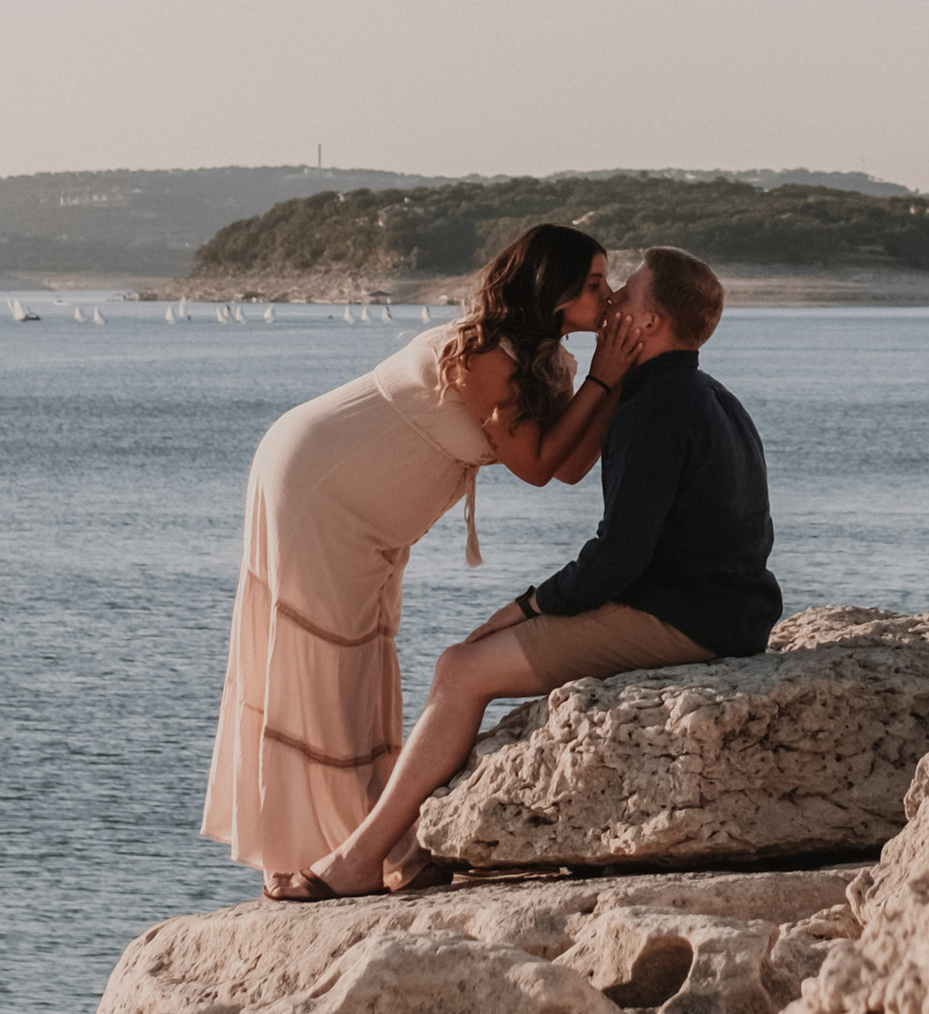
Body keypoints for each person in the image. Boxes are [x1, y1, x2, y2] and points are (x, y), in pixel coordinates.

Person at [286, 244, 778, 901]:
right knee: (467, 663)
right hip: (722, 612)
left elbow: (616, 557)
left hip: (683, 620)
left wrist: (527, 606)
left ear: (650, 324)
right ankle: (405, 854)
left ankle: (358, 859)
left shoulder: (656, 408)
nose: (612, 299)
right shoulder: (711, 396)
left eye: (626, 292)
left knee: (462, 670)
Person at [200, 222, 662, 895]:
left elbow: (566, 465)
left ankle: (360, 845)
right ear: (553, 291)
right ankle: (312, 850)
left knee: (362, 661)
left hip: (368, 513)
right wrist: (605, 376)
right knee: (323, 660)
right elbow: (536, 465)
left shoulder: (550, 364)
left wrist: (613, 380)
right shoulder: (483, 353)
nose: (610, 293)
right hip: (319, 483)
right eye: (594, 283)